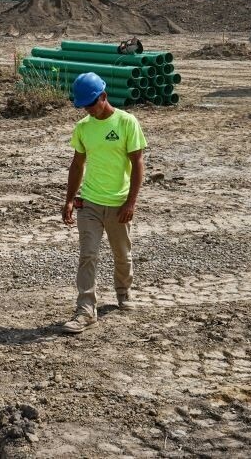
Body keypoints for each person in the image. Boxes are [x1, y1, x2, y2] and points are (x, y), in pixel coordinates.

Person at [61, 72, 147, 334]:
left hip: (119, 204)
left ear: (104, 97)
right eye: (84, 105)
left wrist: (131, 202)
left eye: (91, 104)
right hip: (89, 203)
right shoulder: (84, 127)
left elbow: (137, 163)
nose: (87, 110)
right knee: (88, 255)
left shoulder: (126, 123)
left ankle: (124, 292)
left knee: (122, 254)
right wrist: (68, 200)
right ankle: (86, 310)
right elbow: (77, 164)